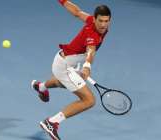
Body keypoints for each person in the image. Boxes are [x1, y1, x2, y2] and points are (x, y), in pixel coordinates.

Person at [31, 0, 111, 139]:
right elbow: (91, 51)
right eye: (100, 21)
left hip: (64, 61)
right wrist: (86, 67)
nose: (103, 25)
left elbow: (76, 12)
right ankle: (52, 122)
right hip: (64, 66)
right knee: (89, 100)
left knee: (62, 83)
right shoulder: (93, 34)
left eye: (106, 21)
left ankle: (41, 87)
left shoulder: (92, 20)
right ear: (95, 18)